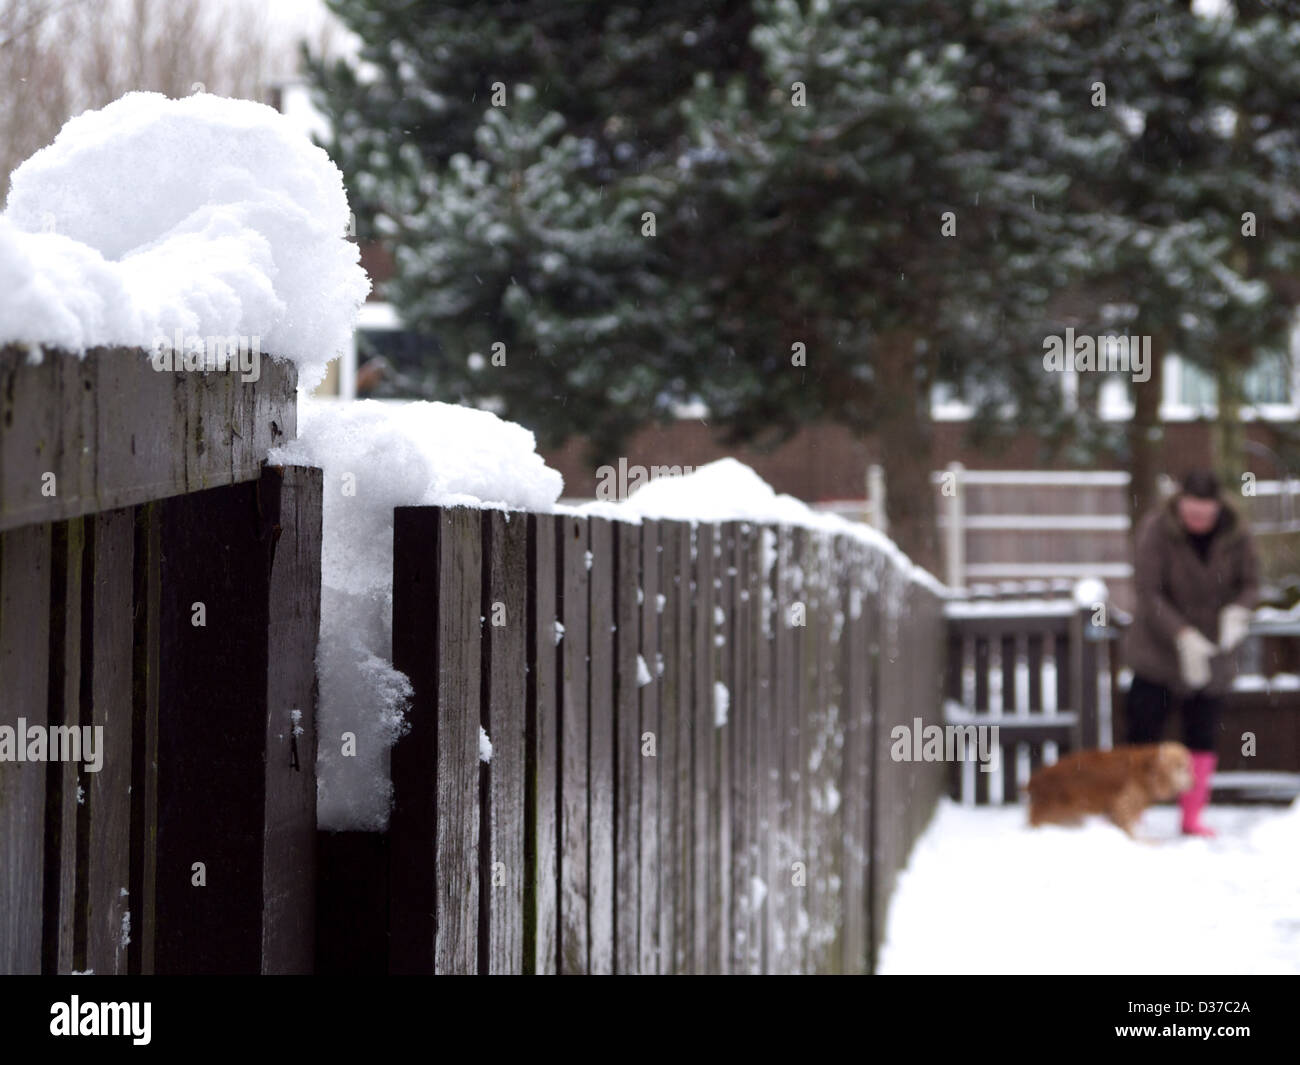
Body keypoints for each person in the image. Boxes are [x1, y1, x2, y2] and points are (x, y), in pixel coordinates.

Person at [1124, 470, 1258, 837]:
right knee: (1143, 734)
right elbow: (1148, 591)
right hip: (1158, 651)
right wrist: (1181, 634)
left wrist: (1238, 612)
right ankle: (1132, 812)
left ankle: (1192, 816)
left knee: (1202, 734)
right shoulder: (1156, 529)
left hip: (1214, 653)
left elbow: (1250, 583)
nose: (1198, 521)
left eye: (1205, 514)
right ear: (1179, 504)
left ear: (1218, 508)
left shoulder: (1237, 533)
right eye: (1191, 513)